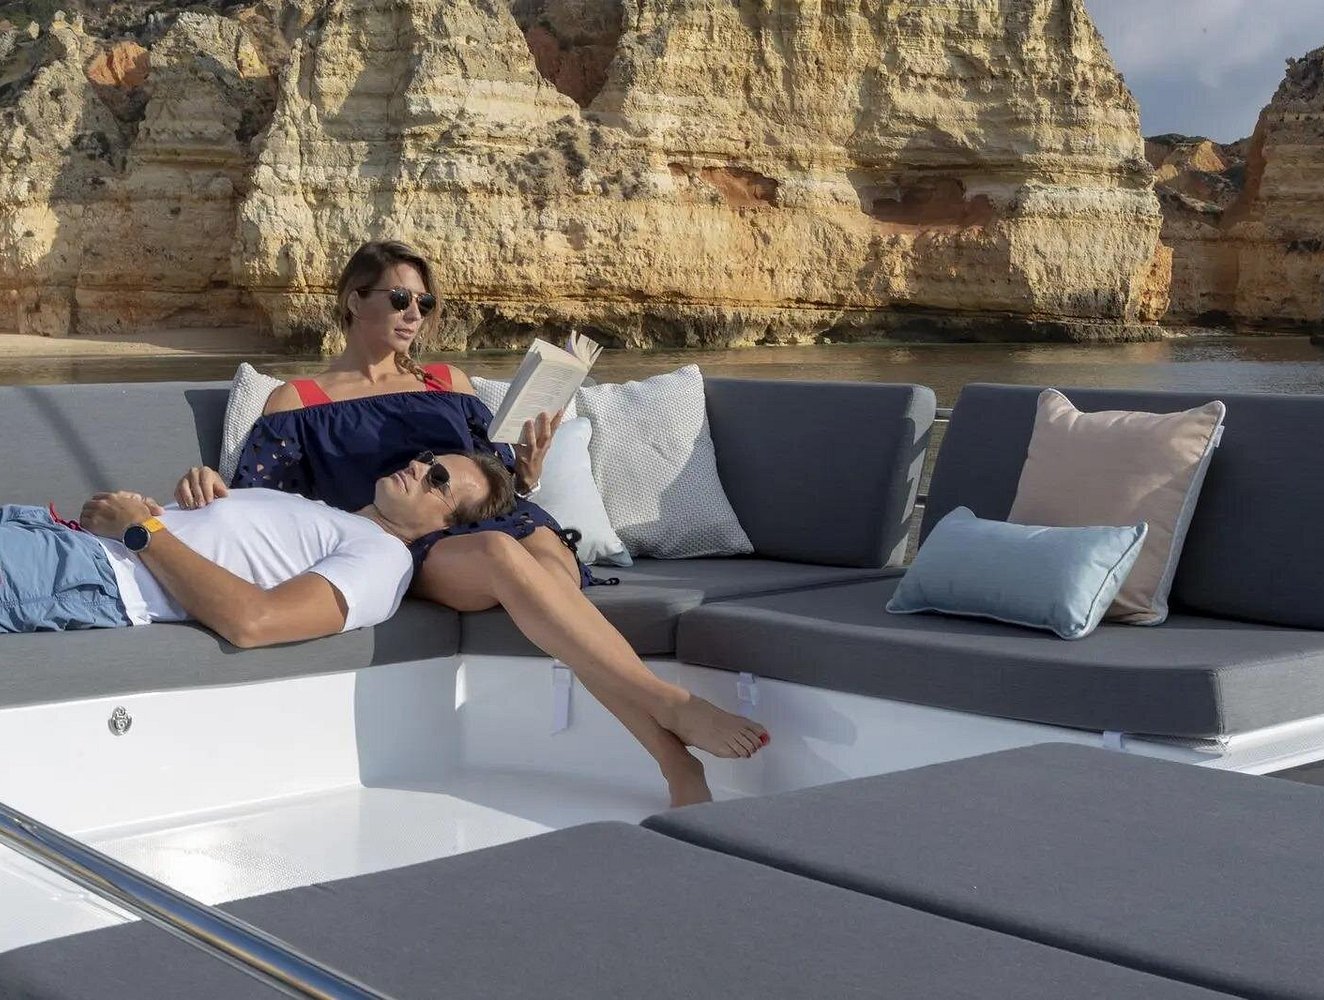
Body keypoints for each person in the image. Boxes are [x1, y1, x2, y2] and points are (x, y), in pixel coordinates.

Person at [176, 240, 768, 806]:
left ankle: (677, 762)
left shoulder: (448, 383)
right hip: (410, 539)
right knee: (498, 556)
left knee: (554, 586)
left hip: (502, 517)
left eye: (425, 302)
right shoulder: (299, 400)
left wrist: (527, 473)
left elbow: (493, 480)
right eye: (399, 299)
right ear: (355, 299)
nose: (415, 314)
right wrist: (206, 483)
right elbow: (261, 504)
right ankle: (669, 709)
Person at [1, 451, 514, 646]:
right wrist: (142, 512)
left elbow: (256, 621)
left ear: (444, 527)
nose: (421, 468)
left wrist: (142, 531)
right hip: (59, 538)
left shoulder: (385, 559)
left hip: (87, 577)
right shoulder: (326, 513)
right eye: (429, 459)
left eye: (438, 480)